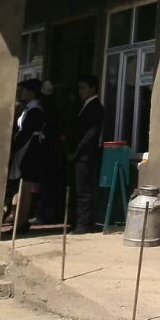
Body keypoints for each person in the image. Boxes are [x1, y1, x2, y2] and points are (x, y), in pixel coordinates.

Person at [8, 79, 49, 227]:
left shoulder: (35, 110)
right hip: (25, 148)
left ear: (31, 92)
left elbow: (26, 132)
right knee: (21, 186)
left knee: (25, 186)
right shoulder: (28, 109)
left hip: (29, 149)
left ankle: (21, 220)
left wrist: (13, 147)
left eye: (24, 90)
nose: (21, 93)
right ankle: (18, 219)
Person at [72, 75, 103, 234]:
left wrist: (77, 151)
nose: (81, 91)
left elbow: (91, 134)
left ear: (93, 88)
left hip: (86, 155)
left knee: (84, 190)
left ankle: (84, 224)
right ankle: (80, 222)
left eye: (83, 87)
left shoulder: (95, 107)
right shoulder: (85, 105)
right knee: (80, 189)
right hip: (81, 154)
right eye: (79, 88)